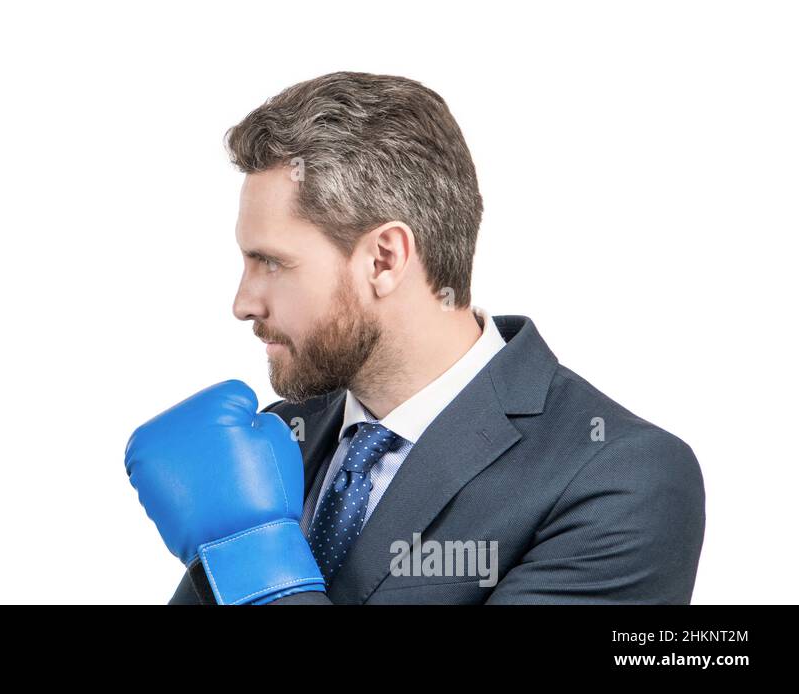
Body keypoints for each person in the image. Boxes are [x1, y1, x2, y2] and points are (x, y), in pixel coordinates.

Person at [123, 72, 706, 605]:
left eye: (271, 263)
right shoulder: (277, 444)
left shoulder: (621, 478)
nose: (243, 303)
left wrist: (252, 555)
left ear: (384, 259)